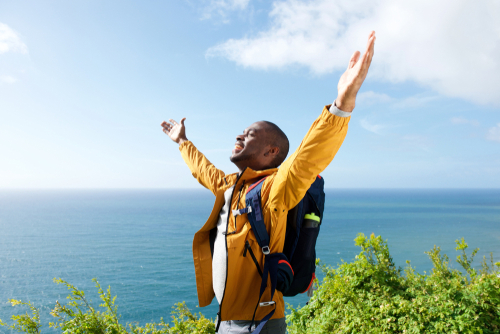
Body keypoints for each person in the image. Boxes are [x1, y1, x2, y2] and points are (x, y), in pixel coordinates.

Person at [161, 31, 376, 334]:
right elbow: (204, 170)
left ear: (271, 151)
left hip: (260, 324)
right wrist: (182, 142)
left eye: (249, 134)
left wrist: (341, 104)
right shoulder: (233, 187)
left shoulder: (275, 189)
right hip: (226, 322)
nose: (239, 136)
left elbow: (307, 159)